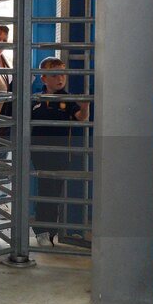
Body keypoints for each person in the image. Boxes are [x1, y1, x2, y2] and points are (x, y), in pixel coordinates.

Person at [30, 57, 89, 247]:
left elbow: (80, 118)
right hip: (39, 155)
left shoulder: (68, 99)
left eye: (62, 74)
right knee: (44, 192)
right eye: (54, 75)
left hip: (61, 154)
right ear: (43, 78)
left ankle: (52, 232)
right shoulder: (36, 100)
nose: (60, 78)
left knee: (54, 194)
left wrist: (85, 107)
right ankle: (43, 232)